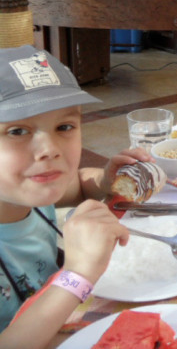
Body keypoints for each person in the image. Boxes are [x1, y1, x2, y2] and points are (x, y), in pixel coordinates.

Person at [0, 45, 148, 347]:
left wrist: (105, 180)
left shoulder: (31, 193)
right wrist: (77, 275)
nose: (49, 149)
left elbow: (78, 184)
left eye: (64, 126)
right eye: (17, 131)